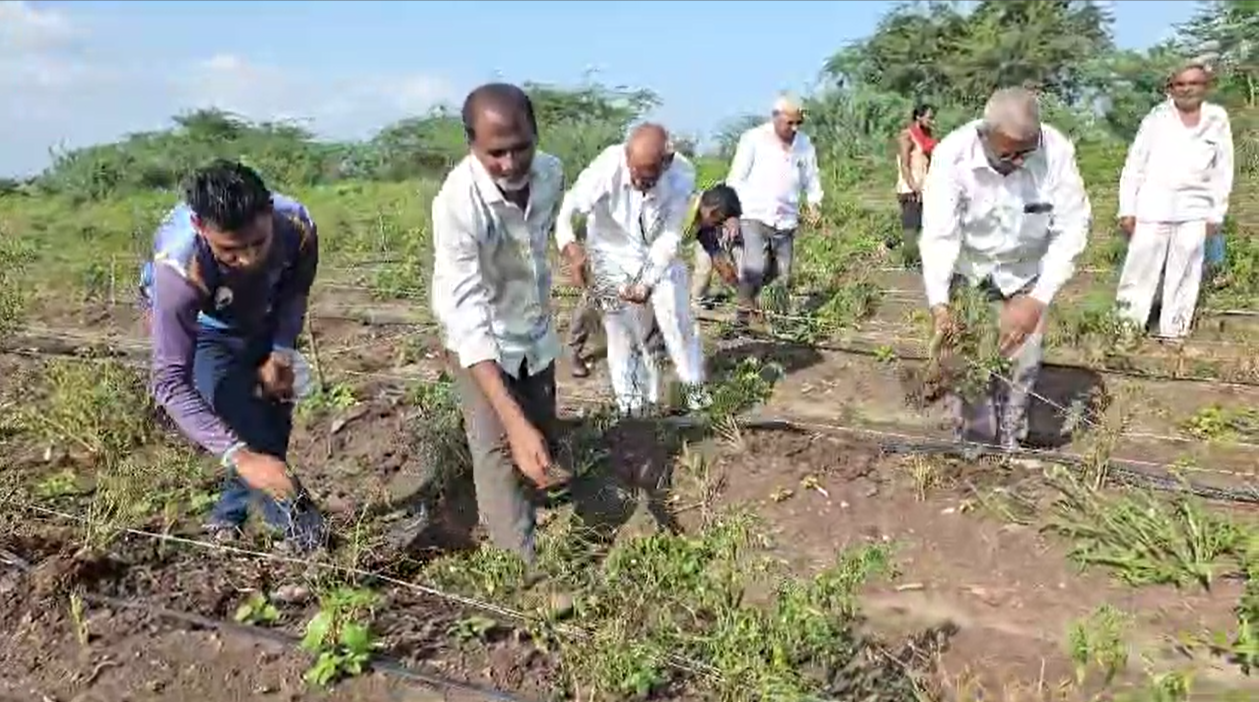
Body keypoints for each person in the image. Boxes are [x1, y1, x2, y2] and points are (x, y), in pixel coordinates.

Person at [141, 160, 327, 551]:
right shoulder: (178, 270)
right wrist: (238, 456)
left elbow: (295, 291)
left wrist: (281, 349)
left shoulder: (297, 227)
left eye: (258, 243)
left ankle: (227, 518)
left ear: (269, 211)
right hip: (206, 330)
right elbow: (169, 381)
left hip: (264, 316)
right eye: (230, 250)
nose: (247, 258)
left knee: (273, 425)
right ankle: (310, 539)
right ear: (200, 228)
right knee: (247, 433)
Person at [429, 83, 568, 565]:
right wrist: (513, 423)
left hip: (532, 326)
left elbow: (540, 241)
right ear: (471, 143)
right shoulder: (456, 203)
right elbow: (467, 317)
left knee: (542, 427)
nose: (510, 164)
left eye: (520, 147)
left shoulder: (551, 174)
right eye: (496, 153)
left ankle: (543, 490)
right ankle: (523, 569)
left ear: (536, 134)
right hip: (480, 339)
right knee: (498, 446)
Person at [920, 87, 1091, 450]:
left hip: (1028, 271)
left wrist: (1036, 300)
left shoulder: (1056, 150)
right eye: (1007, 153)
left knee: (1024, 359)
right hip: (973, 270)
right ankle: (976, 444)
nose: (1017, 162)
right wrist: (940, 304)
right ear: (985, 133)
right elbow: (939, 235)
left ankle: (1010, 442)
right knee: (969, 362)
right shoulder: (953, 154)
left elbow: (1072, 228)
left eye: (1026, 153)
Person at [556, 123, 704, 415]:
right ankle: (632, 406)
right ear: (626, 155)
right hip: (610, 252)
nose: (637, 181)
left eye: (647, 176)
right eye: (633, 171)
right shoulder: (607, 166)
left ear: (667, 162)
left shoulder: (682, 175)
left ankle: (695, 394)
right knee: (620, 330)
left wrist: (647, 283)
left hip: (656, 252)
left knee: (678, 322)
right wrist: (572, 249)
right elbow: (568, 210)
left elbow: (671, 235)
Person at [1115, 60, 1234, 340]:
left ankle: (1174, 334)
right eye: (1180, 84)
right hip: (1152, 207)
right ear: (1171, 88)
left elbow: (1223, 169)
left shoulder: (1217, 119)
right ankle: (1125, 332)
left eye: (1194, 83)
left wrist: (1217, 214)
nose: (1187, 89)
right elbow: (1134, 165)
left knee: (1185, 274)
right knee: (1139, 273)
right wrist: (1127, 209)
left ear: (1205, 87)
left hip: (1195, 209)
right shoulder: (1156, 118)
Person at [725, 94, 824, 325]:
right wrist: (731, 214)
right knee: (754, 269)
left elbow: (812, 179)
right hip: (754, 214)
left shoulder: (804, 144)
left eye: (798, 123)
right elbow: (736, 178)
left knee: (782, 275)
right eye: (789, 122)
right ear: (775, 117)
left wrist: (814, 203)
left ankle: (773, 319)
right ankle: (741, 319)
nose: (794, 127)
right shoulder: (753, 139)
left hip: (786, 219)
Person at [689, 183, 744, 308]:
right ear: (712, 211)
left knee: (705, 265)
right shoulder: (683, 207)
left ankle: (697, 301)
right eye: (719, 221)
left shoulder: (707, 223)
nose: (719, 224)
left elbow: (718, 259)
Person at [894, 104, 937, 258]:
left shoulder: (928, 137)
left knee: (925, 231)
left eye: (934, 118)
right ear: (918, 117)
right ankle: (907, 264)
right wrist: (915, 188)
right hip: (910, 190)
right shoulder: (907, 136)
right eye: (930, 117)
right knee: (911, 232)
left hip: (925, 190)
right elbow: (905, 166)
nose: (933, 121)